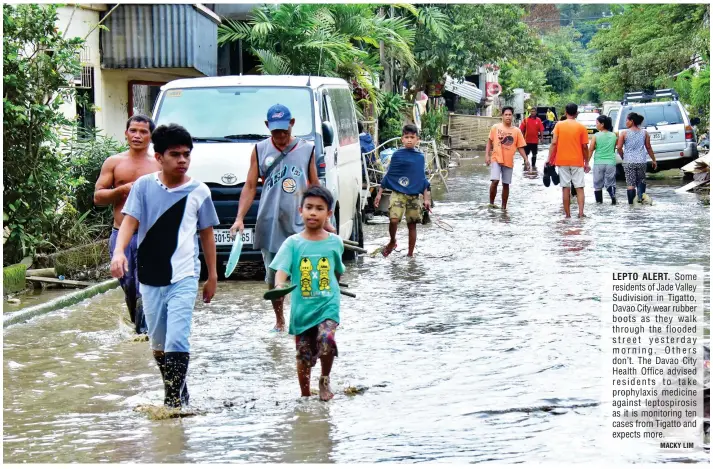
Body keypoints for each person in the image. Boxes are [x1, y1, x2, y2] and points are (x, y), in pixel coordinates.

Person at [110, 124, 219, 409]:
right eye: (175, 155)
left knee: (177, 337)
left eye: (186, 155)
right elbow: (129, 222)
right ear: (159, 157)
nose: (182, 160)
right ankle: (179, 390)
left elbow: (206, 234)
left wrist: (212, 276)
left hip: (184, 274)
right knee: (158, 344)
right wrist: (119, 252)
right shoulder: (144, 187)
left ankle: (172, 405)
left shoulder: (199, 191)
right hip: (149, 274)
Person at [229, 104, 335, 333]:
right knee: (272, 274)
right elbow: (249, 186)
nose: (280, 137)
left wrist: (326, 219)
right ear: (267, 127)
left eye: (284, 132)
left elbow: (314, 185)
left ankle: (307, 318)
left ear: (292, 124)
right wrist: (239, 218)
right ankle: (279, 319)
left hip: (299, 222)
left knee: (305, 271)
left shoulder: (307, 149)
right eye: (275, 132)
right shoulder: (259, 150)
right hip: (270, 222)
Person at [269, 186, 345, 402]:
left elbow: (337, 272)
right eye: (309, 207)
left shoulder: (335, 242)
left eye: (319, 208)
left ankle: (324, 379)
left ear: (328, 213)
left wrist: (333, 292)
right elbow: (281, 271)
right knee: (304, 354)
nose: (313, 212)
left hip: (328, 304)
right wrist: (279, 285)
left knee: (327, 338)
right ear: (300, 210)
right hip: (302, 309)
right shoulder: (293, 243)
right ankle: (304, 396)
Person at [94, 115, 161, 335]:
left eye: (143, 132)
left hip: (151, 235)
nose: (137, 136)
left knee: (147, 287)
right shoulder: (114, 162)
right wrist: (121, 190)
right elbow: (98, 197)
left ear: (151, 136)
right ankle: (139, 328)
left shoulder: (159, 164)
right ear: (126, 133)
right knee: (129, 285)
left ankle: (146, 333)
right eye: (133, 130)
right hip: (121, 234)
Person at [373, 124, 432, 258]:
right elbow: (390, 175)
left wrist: (426, 199)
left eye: (412, 137)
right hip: (398, 193)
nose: (409, 140)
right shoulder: (397, 155)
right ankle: (393, 241)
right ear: (402, 139)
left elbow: (422, 179)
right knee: (393, 220)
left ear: (418, 139)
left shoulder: (420, 157)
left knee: (412, 225)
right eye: (407, 137)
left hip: (413, 196)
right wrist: (379, 193)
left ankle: (410, 255)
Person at [547, 103, 590, 218]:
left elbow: (554, 143)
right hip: (577, 161)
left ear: (565, 112)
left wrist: (549, 159)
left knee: (565, 188)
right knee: (579, 188)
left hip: (562, 161)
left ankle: (567, 215)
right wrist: (587, 162)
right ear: (576, 113)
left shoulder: (559, 125)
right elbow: (585, 147)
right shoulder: (582, 127)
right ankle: (581, 214)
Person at [485, 106, 530, 210]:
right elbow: (489, 142)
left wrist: (526, 160)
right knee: (495, 181)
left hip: (508, 161)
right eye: (506, 115)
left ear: (512, 116)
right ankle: (491, 203)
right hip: (496, 158)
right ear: (502, 116)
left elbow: (520, 147)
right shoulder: (495, 127)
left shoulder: (516, 131)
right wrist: (487, 155)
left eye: (510, 115)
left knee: (506, 184)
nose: (508, 117)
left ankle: (504, 208)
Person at [616, 112, 657, 204]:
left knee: (630, 184)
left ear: (632, 121)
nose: (626, 122)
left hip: (629, 161)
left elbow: (619, 147)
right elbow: (648, 147)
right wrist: (654, 159)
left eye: (627, 120)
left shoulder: (624, 133)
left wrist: (623, 156)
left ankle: (631, 205)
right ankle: (640, 202)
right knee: (641, 181)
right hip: (641, 161)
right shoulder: (644, 133)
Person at [589, 115, 618, 204]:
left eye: (597, 123)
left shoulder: (596, 136)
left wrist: (586, 162)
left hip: (599, 163)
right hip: (611, 162)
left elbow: (591, 149)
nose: (596, 125)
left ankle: (599, 204)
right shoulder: (614, 135)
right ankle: (612, 196)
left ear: (602, 124)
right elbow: (614, 147)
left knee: (597, 185)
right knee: (610, 182)